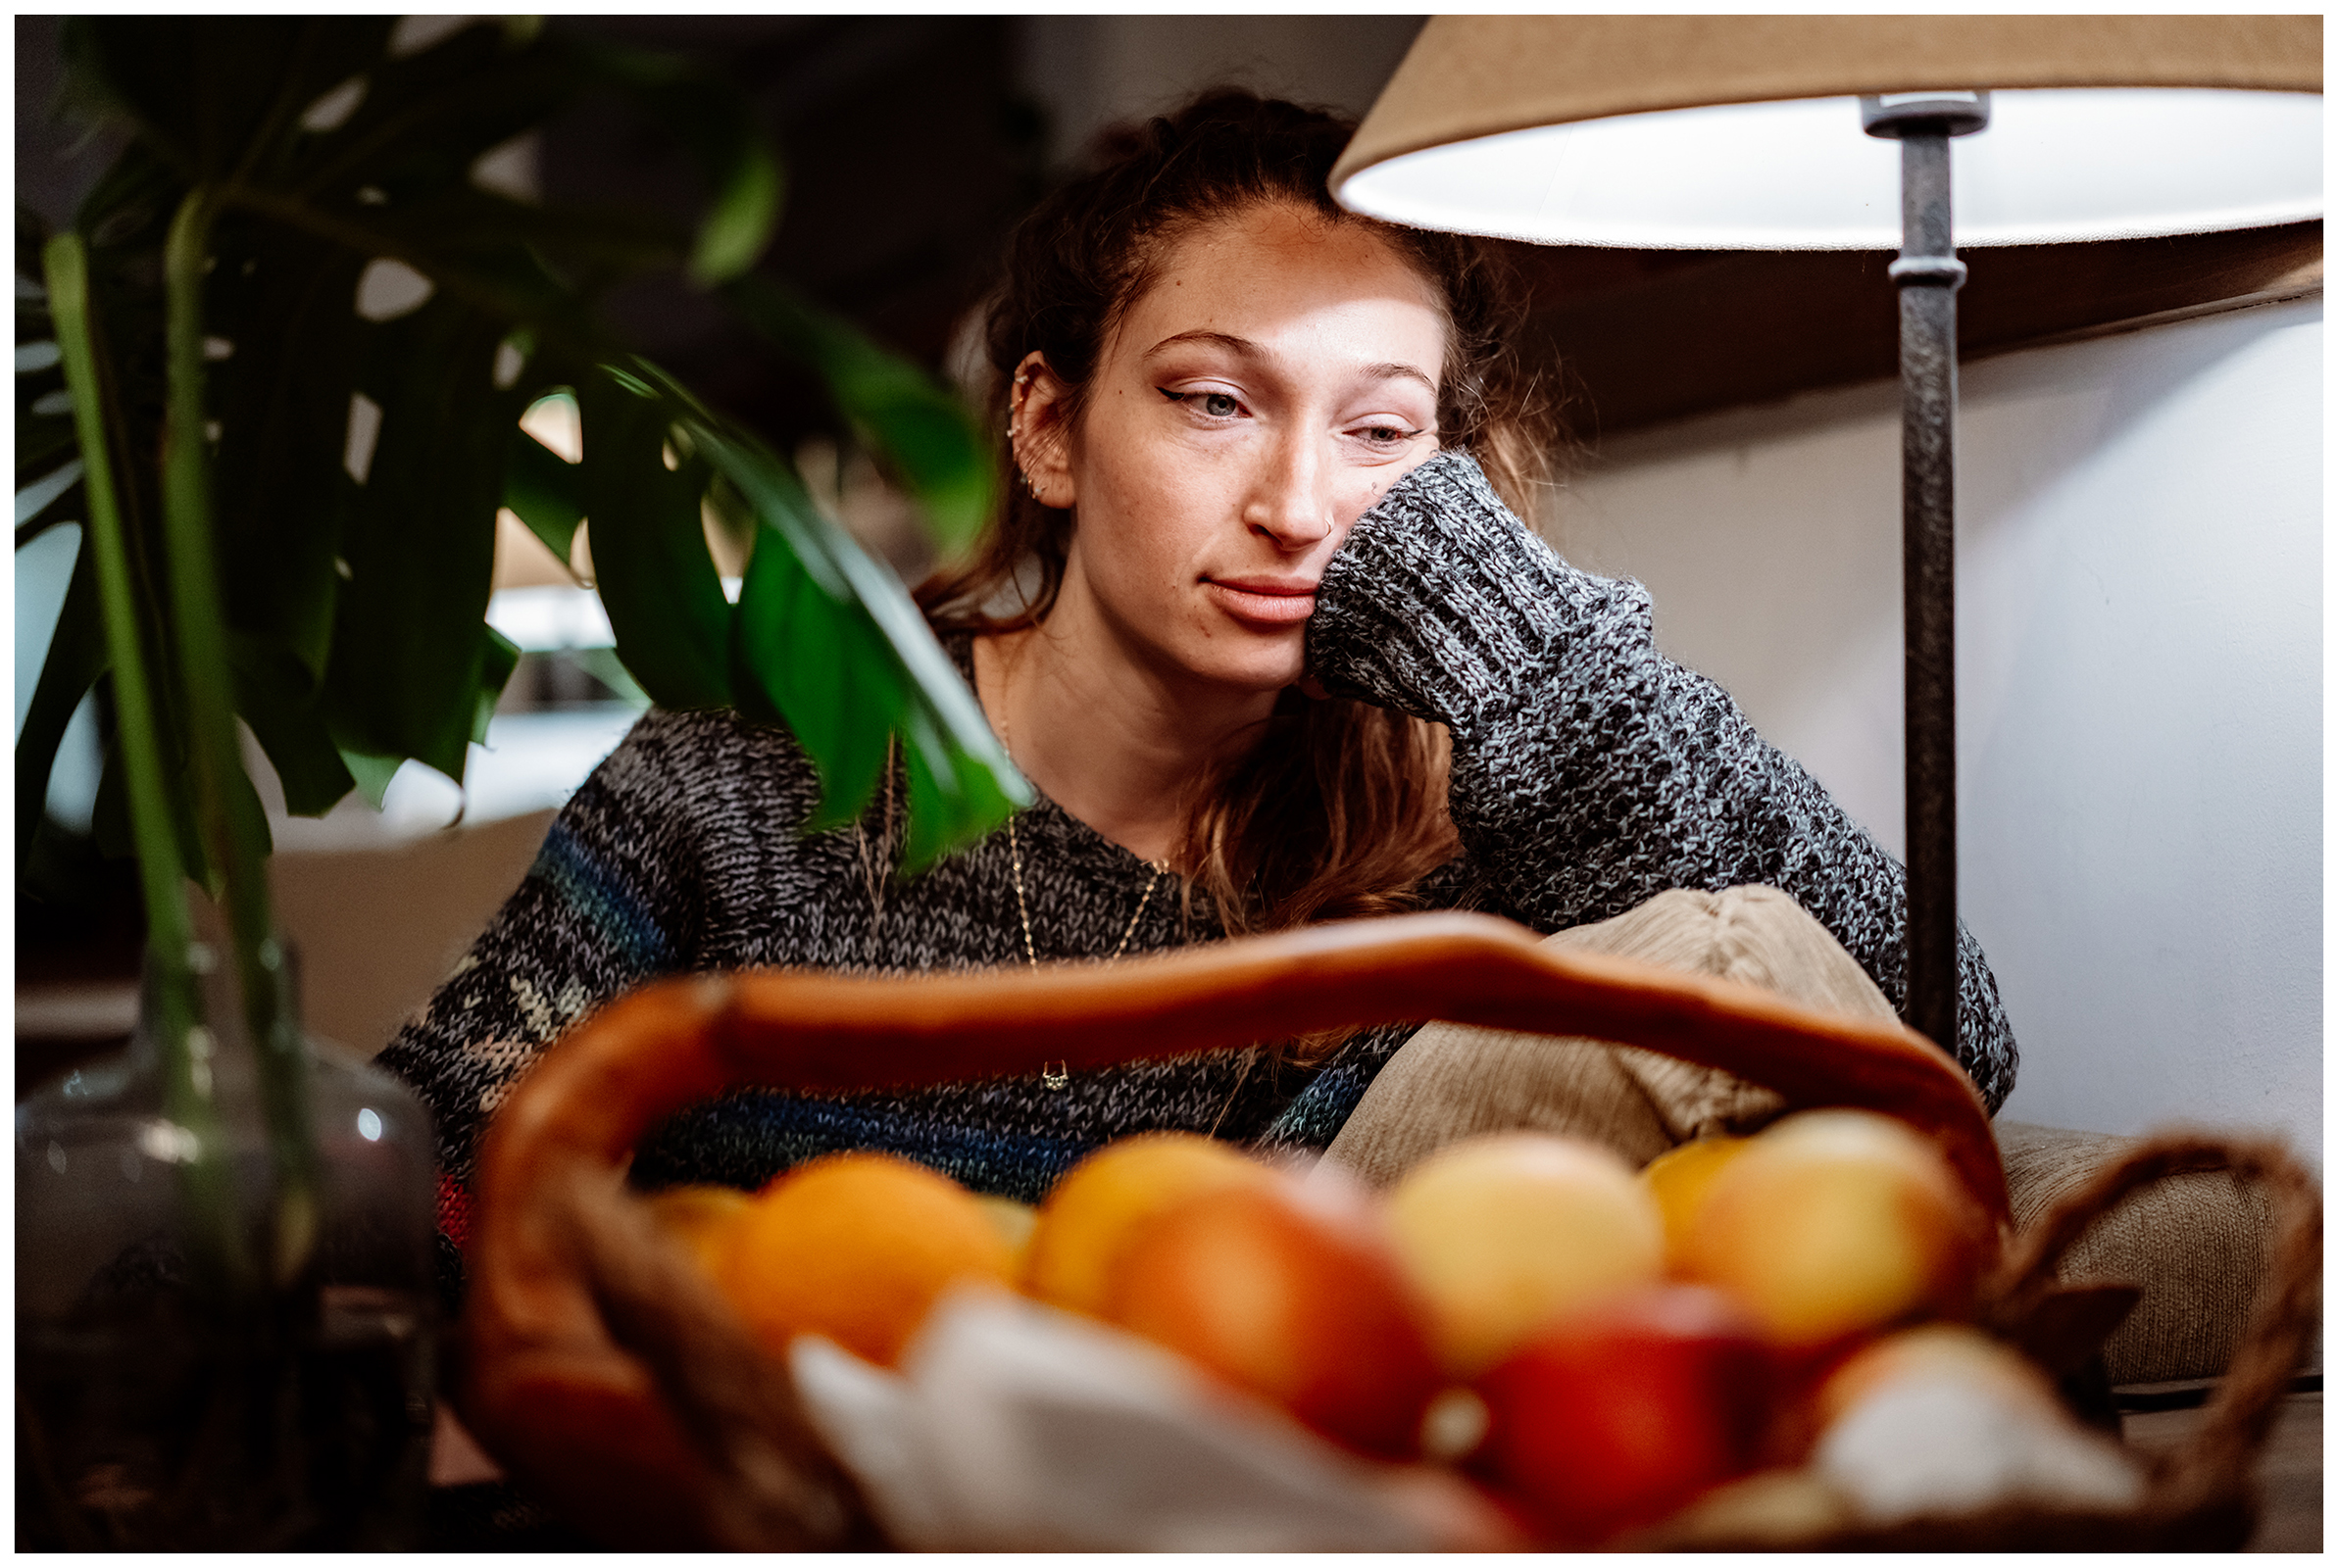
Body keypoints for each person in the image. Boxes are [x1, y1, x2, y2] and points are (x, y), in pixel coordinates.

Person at [378, 91, 2015, 1292]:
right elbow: (417, 1181)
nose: (1300, 506)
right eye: (1217, 403)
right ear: (1044, 427)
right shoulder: (749, 790)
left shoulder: (1472, 809)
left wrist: (1533, 663)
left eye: (1379, 434)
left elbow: (1935, 1058)